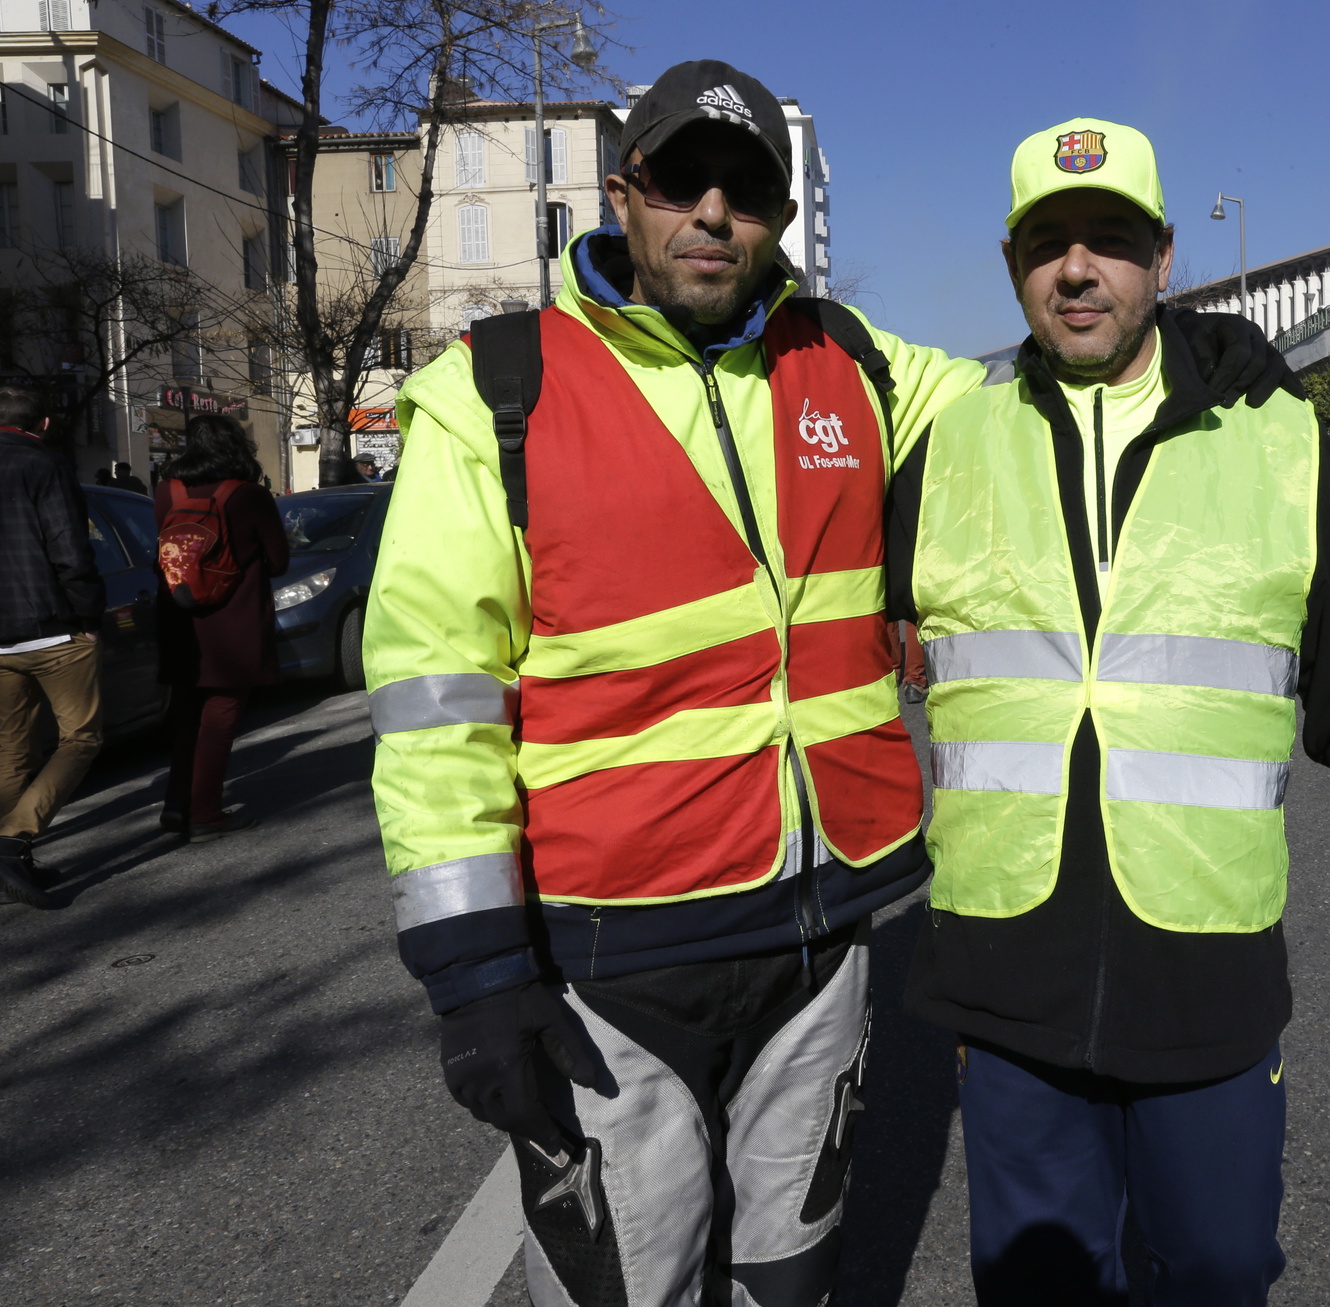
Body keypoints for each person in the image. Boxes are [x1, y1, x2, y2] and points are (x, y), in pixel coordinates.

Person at [362, 63, 1280, 1307]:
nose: (715, 213)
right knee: (631, 1282)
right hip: (609, 955)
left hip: (818, 934)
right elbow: (436, 703)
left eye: (748, 191)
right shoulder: (496, 391)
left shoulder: (849, 359)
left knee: (792, 1278)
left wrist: (1183, 362)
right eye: (684, 180)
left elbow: (1027, 398)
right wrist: (475, 976)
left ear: (779, 220)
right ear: (624, 194)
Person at [890, 117, 1330, 1306]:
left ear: (1164, 259)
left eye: (1109, 239)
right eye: (1049, 242)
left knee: (1214, 1271)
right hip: (1006, 973)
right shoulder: (945, 441)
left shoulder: (1273, 440)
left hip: (1204, 970)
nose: (1077, 267)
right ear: (1014, 264)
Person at [155, 414, 287, 842]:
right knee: (221, 717)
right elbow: (279, 560)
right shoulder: (248, 495)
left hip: (181, 619)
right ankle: (205, 813)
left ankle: (176, 808)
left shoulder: (167, 491)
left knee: (188, 717)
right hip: (234, 622)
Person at [0, 386, 103, 909]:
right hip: (53, 627)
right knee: (80, 739)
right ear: (41, 425)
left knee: (11, 750)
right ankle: (14, 840)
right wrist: (88, 614)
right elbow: (70, 547)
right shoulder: (46, 466)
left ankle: (12, 857)